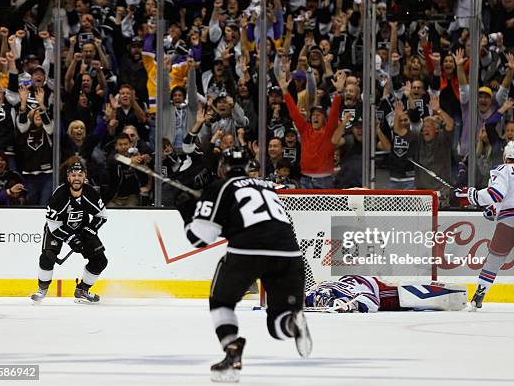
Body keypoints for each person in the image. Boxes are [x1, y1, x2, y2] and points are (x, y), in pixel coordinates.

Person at [185, 147, 311, 382]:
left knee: (221, 302)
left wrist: (186, 214)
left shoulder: (220, 186)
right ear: (248, 167)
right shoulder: (266, 186)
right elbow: (258, 222)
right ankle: (293, 323)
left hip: (248, 251)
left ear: (223, 167)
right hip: (290, 254)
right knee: (277, 324)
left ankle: (232, 351)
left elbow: (200, 239)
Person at [456, 141, 514, 312]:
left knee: (494, 260)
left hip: (512, 219)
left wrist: (472, 195)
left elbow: (496, 193)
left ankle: (479, 295)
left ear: (505, 155)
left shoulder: (502, 169)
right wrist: (493, 210)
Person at [30, 160, 108, 304]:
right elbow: (53, 224)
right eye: (73, 175)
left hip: (82, 228)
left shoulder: (91, 193)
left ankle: (82, 290)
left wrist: (90, 229)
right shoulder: (59, 195)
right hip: (58, 228)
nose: (76, 177)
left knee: (100, 261)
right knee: (47, 256)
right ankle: (42, 289)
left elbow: (102, 216)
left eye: (80, 174)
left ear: (85, 177)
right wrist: (71, 239)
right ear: (68, 178)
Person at [305, 275, 467, 312]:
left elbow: (372, 302)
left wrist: (353, 305)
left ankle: (448, 294)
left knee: (404, 299)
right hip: (355, 281)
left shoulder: (345, 293)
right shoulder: (311, 294)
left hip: (372, 286)